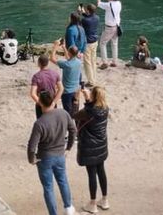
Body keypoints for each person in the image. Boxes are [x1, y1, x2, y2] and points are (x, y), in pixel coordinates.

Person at [27, 90, 77, 215]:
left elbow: (32, 146)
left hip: (45, 158)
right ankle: (68, 208)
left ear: (40, 103)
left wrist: (31, 159)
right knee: (63, 181)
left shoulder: (40, 123)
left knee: (48, 188)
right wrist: (68, 147)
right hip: (60, 154)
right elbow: (73, 130)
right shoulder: (63, 113)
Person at [75, 86, 110, 214]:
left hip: (89, 146)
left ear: (94, 96)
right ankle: (105, 200)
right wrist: (88, 99)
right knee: (101, 171)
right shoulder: (105, 108)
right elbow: (93, 109)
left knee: (92, 174)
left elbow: (75, 115)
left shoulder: (88, 111)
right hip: (101, 145)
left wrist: (76, 99)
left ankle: (93, 203)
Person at [50, 41, 82, 115]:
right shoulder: (78, 62)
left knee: (68, 113)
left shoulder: (66, 64)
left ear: (70, 53)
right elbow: (69, 58)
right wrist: (64, 47)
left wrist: (55, 46)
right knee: (75, 110)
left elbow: (52, 58)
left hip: (67, 92)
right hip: (76, 90)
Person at [97, 0, 122, 69]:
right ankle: (115, 61)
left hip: (109, 27)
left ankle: (105, 62)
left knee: (102, 43)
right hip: (117, 26)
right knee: (114, 44)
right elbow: (111, 0)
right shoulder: (119, 3)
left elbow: (98, 3)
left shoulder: (108, 5)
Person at [80, 4, 100, 85]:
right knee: (93, 60)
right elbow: (88, 17)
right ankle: (94, 78)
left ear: (88, 10)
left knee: (87, 62)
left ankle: (91, 81)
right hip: (95, 41)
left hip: (87, 43)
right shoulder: (97, 18)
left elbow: (81, 22)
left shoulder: (85, 20)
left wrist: (79, 13)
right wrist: (83, 13)